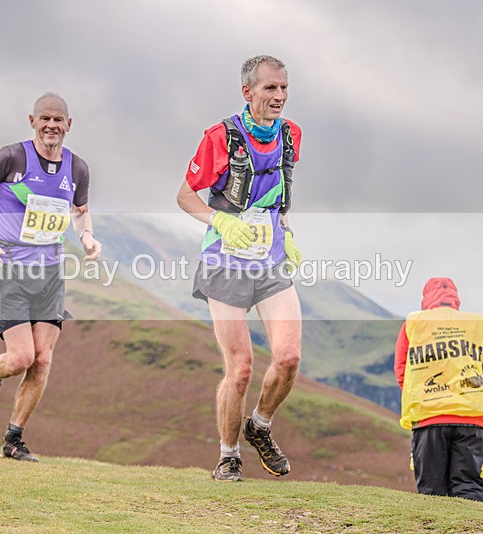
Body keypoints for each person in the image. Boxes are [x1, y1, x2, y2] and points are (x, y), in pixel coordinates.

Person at [176, 55, 303, 482]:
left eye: (284, 88)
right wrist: (221, 220)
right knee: (241, 367)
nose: (279, 96)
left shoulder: (291, 135)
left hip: (270, 259)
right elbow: (185, 196)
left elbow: (276, 195)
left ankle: (260, 426)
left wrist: (288, 234)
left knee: (288, 357)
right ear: (247, 92)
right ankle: (228, 456)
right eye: (270, 88)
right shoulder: (221, 137)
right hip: (225, 262)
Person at [0, 93, 100, 461]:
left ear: (69, 125)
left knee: (43, 360)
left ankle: (14, 440)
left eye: (58, 119)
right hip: (11, 269)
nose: (52, 125)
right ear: (32, 121)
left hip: (50, 273)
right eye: (45, 118)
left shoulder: (77, 168)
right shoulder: (11, 157)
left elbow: (80, 211)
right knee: (21, 357)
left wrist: (87, 236)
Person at [394, 277, 483, 501]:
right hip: (471, 418)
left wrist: (422, 397)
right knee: (468, 487)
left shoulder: (414, 322)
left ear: (426, 297)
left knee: (432, 491)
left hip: (429, 417)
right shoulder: (477, 323)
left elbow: (402, 370)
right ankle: (472, 522)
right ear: (455, 296)